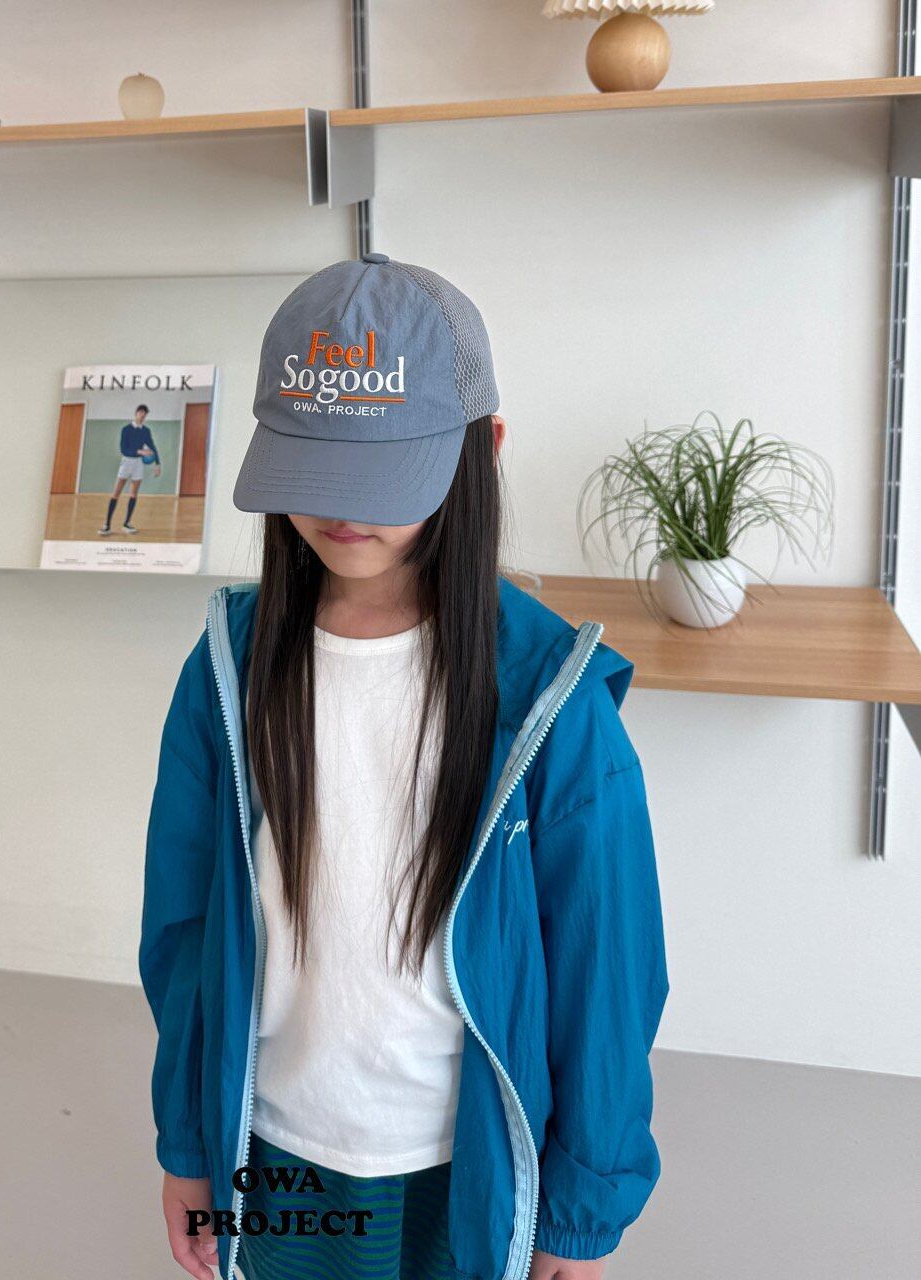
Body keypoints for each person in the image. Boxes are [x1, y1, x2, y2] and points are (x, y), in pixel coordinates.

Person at [138, 253, 669, 1280]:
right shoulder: (228, 670)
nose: (343, 509)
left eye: (381, 475)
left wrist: (580, 1210)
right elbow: (185, 929)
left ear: (485, 448)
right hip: (273, 1146)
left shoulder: (550, 698)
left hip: (465, 1163)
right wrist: (190, 1145)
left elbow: (607, 969)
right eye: (314, 467)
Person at [98, 403, 161, 536]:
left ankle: (126, 523)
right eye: (141, 413)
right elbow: (124, 449)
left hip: (138, 464)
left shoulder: (146, 431)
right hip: (127, 462)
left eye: (145, 414)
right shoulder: (126, 429)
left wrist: (157, 463)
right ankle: (107, 525)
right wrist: (140, 451)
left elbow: (152, 446)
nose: (142, 416)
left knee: (134, 494)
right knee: (116, 493)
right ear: (136, 413)